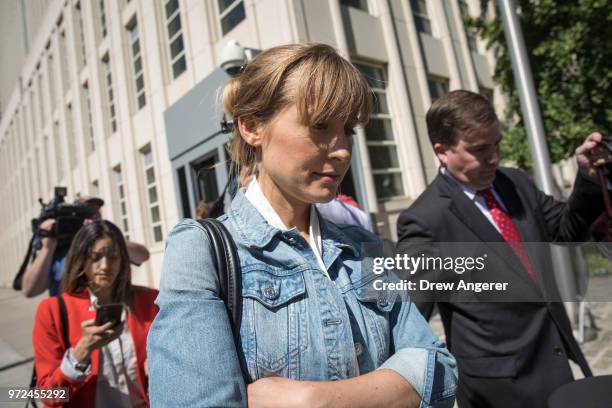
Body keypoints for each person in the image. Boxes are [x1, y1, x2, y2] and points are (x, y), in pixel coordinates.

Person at [147, 43, 457, 407]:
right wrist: (393, 388)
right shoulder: (203, 250)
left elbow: (439, 368)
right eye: (320, 125)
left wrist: (314, 400)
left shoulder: (362, 246)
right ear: (251, 127)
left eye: (349, 131)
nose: (341, 150)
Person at [396, 90, 606, 408]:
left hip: (553, 362)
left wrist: (588, 180)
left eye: (497, 144)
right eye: (480, 150)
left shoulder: (515, 183)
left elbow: (566, 231)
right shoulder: (424, 220)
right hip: (496, 391)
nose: (493, 157)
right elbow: (408, 315)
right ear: (443, 152)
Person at [32, 220, 158, 407]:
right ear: (81, 258)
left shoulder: (151, 301)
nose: (105, 265)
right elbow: (49, 395)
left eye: (113, 256)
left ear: (123, 259)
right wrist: (81, 352)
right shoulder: (52, 311)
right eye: (95, 257)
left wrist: (162, 363)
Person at [22, 196, 150, 297]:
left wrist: (109, 236)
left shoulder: (110, 243)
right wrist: (47, 248)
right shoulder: (58, 248)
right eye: (88, 213)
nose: (94, 217)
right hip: (71, 318)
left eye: (96, 214)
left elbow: (143, 255)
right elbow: (29, 291)